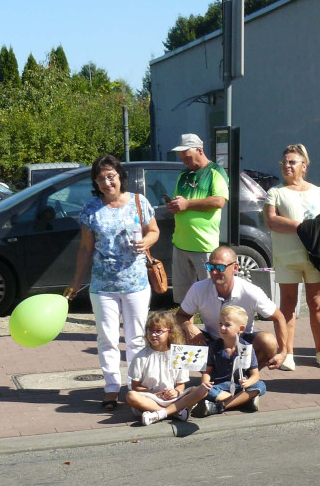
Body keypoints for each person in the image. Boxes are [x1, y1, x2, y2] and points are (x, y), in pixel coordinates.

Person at [67, 155, 159, 411]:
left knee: (136, 338)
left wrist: (146, 242)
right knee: (106, 337)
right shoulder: (91, 209)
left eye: (111, 176)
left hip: (135, 282)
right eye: (101, 178)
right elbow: (86, 249)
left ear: (120, 176)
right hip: (103, 285)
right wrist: (76, 283)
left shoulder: (139, 202)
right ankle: (110, 388)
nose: (107, 182)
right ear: (95, 183)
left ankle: (135, 385)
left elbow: (154, 231)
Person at [264, 144, 320, 370]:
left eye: (292, 162)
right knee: (287, 304)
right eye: (284, 162)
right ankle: (287, 352)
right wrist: (302, 227)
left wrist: (316, 228)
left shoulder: (318, 191)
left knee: (316, 304)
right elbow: (271, 221)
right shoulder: (275, 192)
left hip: (314, 257)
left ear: (303, 166)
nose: (286, 165)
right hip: (287, 257)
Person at [174, 245, 289, 369]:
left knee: (268, 341)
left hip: (241, 342)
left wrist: (283, 352)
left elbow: (279, 317)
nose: (213, 272)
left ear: (235, 268)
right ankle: (199, 378)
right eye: (210, 267)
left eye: (220, 267)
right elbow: (180, 316)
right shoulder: (198, 288)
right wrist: (189, 326)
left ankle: (248, 377)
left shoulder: (251, 291)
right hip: (211, 341)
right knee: (177, 332)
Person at [166, 134, 229, 303]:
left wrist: (187, 204)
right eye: (182, 159)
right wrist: (174, 206)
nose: (185, 163)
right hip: (180, 244)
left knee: (212, 296)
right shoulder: (183, 175)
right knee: (184, 299)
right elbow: (179, 202)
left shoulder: (216, 171)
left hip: (204, 246)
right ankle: (187, 329)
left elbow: (219, 201)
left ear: (200, 150)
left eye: (187, 158)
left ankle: (213, 328)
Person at [125, 310, 209, 425]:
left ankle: (160, 414)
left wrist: (176, 392)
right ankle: (174, 412)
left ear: (170, 332)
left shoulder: (178, 354)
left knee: (201, 390)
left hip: (173, 399)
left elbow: (181, 385)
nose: (153, 334)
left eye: (158, 331)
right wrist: (154, 393)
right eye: (150, 330)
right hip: (151, 399)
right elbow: (135, 387)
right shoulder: (140, 357)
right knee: (131, 396)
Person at [193, 306, 267, 416]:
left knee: (261, 386)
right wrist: (205, 383)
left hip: (239, 386)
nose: (222, 328)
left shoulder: (246, 348)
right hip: (219, 386)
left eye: (227, 325)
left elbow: (255, 375)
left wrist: (248, 382)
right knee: (204, 390)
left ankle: (220, 406)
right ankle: (242, 401)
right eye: (220, 324)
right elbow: (207, 372)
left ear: (241, 329)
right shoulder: (214, 347)